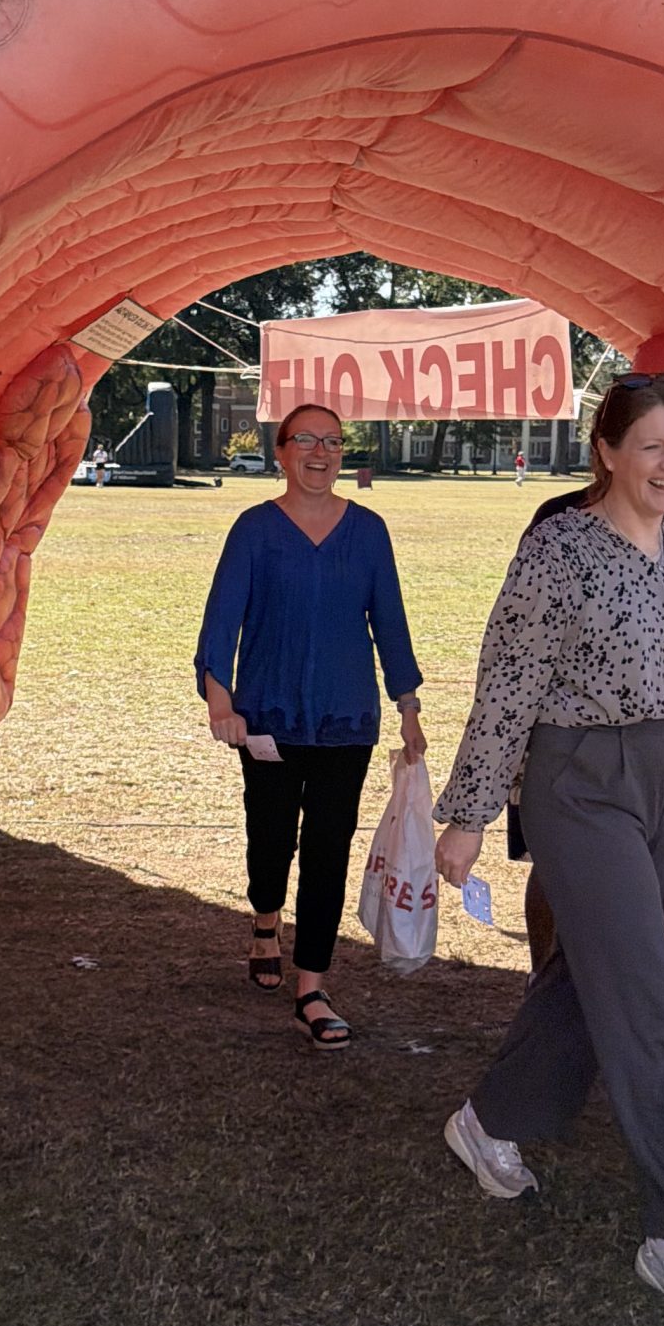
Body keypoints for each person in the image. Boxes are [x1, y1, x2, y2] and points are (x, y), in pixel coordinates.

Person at [431, 371, 664, 1316]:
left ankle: (489, 1120)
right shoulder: (559, 550)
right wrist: (470, 812)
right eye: (652, 445)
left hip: (663, 781)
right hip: (580, 781)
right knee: (651, 996)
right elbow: (508, 680)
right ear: (608, 452)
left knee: (588, 979)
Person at [196, 401, 426, 1049]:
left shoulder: (370, 532)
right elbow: (222, 621)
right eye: (306, 440)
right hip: (267, 718)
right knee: (271, 840)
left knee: (329, 850)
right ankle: (265, 919)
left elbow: (391, 624)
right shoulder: (253, 531)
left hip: (346, 721)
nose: (321, 453)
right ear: (281, 451)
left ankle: (312, 988)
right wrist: (221, 700)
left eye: (333, 441)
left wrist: (408, 707)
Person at [507, 481, 664, 970]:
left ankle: (659, 994)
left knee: (656, 878)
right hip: (567, 743)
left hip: (656, 744)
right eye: (650, 444)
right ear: (608, 449)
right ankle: (545, 978)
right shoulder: (557, 520)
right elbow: (520, 643)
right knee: (553, 868)